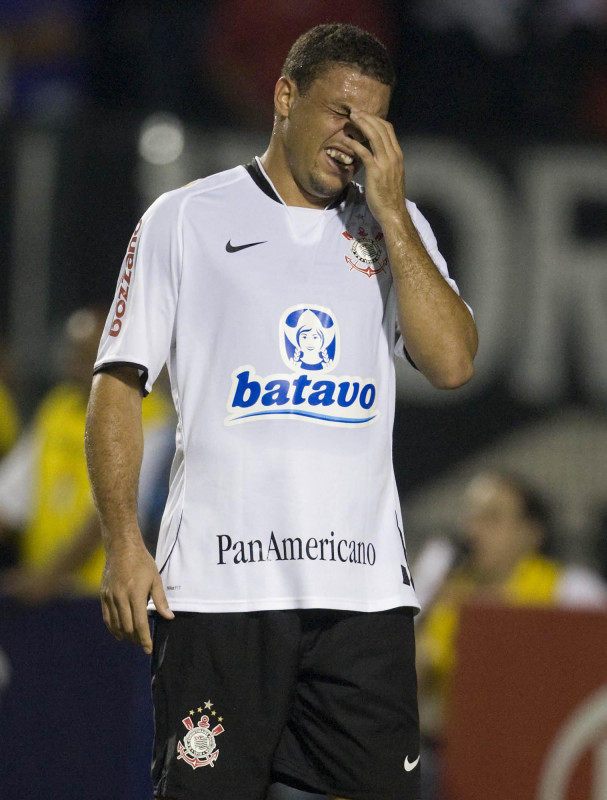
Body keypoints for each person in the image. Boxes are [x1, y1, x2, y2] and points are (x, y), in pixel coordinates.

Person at [85, 23, 477, 800]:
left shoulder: (395, 229)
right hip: (222, 596)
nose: (353, 141)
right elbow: (118, 385)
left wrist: (395, 218)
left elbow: (453, 362)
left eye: (372, 124)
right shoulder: (186, 219)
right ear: (284, 96)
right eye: (339, 115)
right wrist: (125, 540)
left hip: (362, 601)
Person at [414, 470, 607, 798]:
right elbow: (407, 690)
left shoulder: (569, 593)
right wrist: (423, 609)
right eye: (471, 516)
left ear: (530, 533)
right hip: (450, 759)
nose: (474, 530)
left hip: (534, 761)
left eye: (493, 518)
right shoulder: (442, 590)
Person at [0, 309, 171, 603]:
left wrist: (49, 577)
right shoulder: (57, 409)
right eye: (75, 355)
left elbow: (121, 506)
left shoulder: (151, 416)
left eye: (92, 354)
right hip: (47, 596)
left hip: (107, 595)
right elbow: (9, 501)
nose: (82, 366)